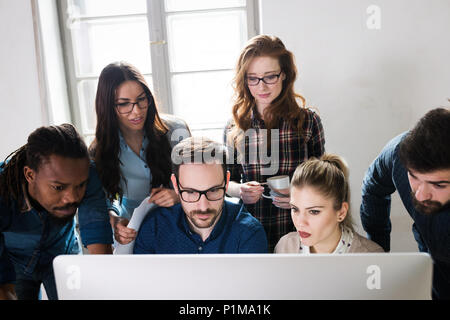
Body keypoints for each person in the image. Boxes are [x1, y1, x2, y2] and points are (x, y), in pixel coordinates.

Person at [224, 35, 325, 251]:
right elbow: (225, 183)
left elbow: (324, 183)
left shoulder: (307, 121)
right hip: (250, 233)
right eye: (253, 78)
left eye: (270, 77)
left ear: (285, 75)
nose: (262, 86)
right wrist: (240, 190)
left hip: (299, 232)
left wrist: (298, 197)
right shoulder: (234, 128)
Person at [0, 124, 113, 300]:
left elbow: (100, 249)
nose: (72, 198)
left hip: (63, 253)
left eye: (80, 186)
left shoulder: (86, 174)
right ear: (30, 175)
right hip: (13, 262)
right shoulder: (2, 190)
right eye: (58, 187)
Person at [89, 61, 190, 246]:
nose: (136, 111)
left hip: (181, 226)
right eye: (124, 104)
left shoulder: (177, 131)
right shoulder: (99, 151)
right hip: (134, 234)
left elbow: (199, 183)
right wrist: (115, 221)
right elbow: (104, 201)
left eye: (141, 100)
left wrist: (179, 195)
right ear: (108, 107)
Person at [360, 107, 450, 300]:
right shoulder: (399, 152)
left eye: (439, 184)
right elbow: (373, 187)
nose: (421, 194)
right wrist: (379, 250)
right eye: (414, 177)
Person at [133, 137, 268, 254]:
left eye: (213, 190)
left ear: (226, 182)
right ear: (175, 185)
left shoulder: (249, 233)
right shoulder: (154, 228)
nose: (203, 207)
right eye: (191, 192)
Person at [275, 154, 383, 254]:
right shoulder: (285, 247)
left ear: (341, 212)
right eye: (295, 209)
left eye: (314, 211)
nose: (300, 223)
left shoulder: (370, 255)